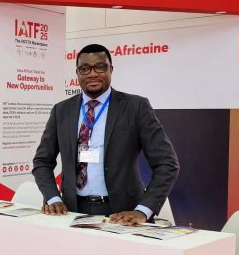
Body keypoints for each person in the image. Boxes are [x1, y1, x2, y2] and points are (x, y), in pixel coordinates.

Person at [32, 43, 179, 224]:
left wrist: (143, 210)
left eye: (100, 67)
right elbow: (42, 161)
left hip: (124, 213)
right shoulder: (61, 110)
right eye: (85, 69)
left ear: (111, 69)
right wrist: (53, 198)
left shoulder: (136, 107)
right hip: (71, 211)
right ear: (77, 73)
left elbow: (167, 163)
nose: (92, 74)